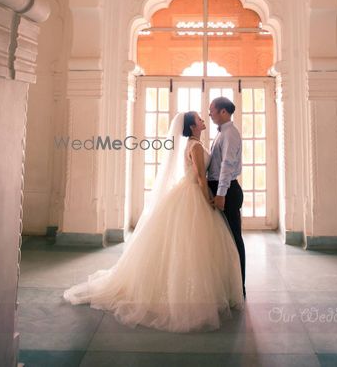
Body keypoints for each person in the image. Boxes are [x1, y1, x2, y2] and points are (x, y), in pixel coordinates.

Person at [62, 111, 244, 333]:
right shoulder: (195, 146)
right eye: (199, 118)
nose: (203, 119)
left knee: (193, 245)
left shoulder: (195, 142)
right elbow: (199, 176)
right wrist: (208, 197)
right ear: (192, 125)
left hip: (190, 192)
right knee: (194, 245)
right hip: (194, 193)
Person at [208, 97, 246, 298]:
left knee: (234, 238)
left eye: (212, 110)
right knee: (223, 239)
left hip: (228, 191)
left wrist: (221, 193)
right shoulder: (221, 133)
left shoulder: (230, 134)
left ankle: (240, 287)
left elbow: (227, 165)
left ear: (223, 112)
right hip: (220, 189)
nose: (210, 114)